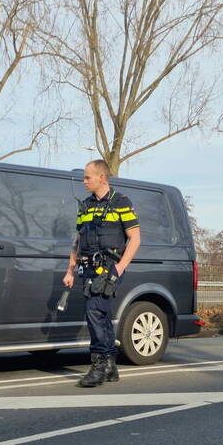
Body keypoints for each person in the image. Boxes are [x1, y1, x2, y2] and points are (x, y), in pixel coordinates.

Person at [63, 159, 141, 387]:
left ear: (102, 177)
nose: (84, 181)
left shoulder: (121, 202)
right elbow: (77, 241)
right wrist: (70, 270)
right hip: (89, 267)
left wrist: (120, 267)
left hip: (110, 267)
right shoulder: (85, 206)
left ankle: (98, 365)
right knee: (102, 313)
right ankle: (109, 365)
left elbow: (135, 238)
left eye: (87, 177)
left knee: (94, 311)